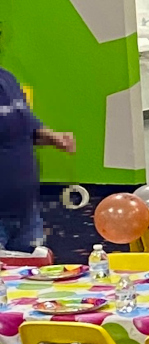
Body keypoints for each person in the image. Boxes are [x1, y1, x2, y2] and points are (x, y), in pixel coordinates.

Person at [0, 63, 74, 253]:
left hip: (26, 212)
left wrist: (52, 137)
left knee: (30, 279)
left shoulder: (7, 78)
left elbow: (25, 126)